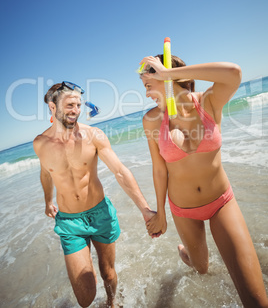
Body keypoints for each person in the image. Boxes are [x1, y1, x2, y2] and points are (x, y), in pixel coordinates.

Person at [139, 55, 268, 308]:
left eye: (147, 85)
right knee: (201, 268)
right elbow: (159, 170)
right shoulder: (152, 120)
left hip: (221, 202)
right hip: (183, 209)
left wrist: (168, 75)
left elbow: (233, 72)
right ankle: (186, 253)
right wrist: (161, 213)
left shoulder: (208, 102)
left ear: (166, 77)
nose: (146, 95)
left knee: (255, 300)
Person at [33, 81, 157, 308]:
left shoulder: (94, 136)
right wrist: (47, 201)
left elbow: (120, 171)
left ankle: (112, 302)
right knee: (85, 296)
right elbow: (45, 174)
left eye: (79, 105)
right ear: (53, 107)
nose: (76, 110)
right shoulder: (40, 144)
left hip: (100, 214)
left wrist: (145, 210)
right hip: (70, 222)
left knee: (108, 274)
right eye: (70, 105)